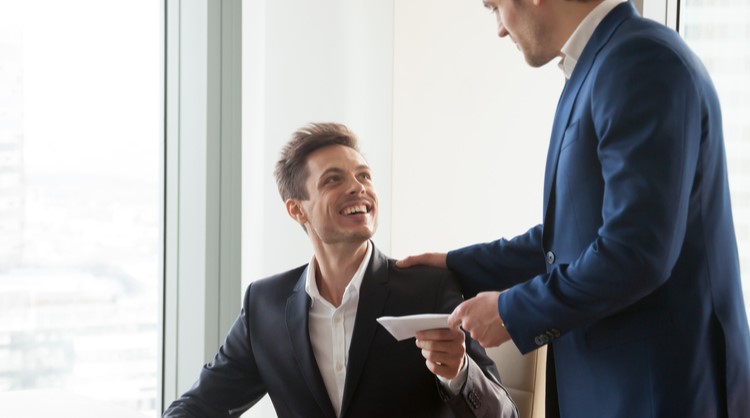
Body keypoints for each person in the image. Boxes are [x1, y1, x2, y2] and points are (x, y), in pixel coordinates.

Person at [397, 1, 750, 417]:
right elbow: (569, 240)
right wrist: (455, 265)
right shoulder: (602, 65)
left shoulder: (640, 61)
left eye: (494, 7)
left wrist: (510, 312)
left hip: (658, 394)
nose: (499, 29)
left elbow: (636, 253)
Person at [163, 123, 518, 418]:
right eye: (333, 180)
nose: (357, 187)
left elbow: (505, 414)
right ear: (297, 210)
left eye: (363, 175)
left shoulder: (429, 287)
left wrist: (459, 374)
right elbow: (200, 405)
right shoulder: (264, 305)